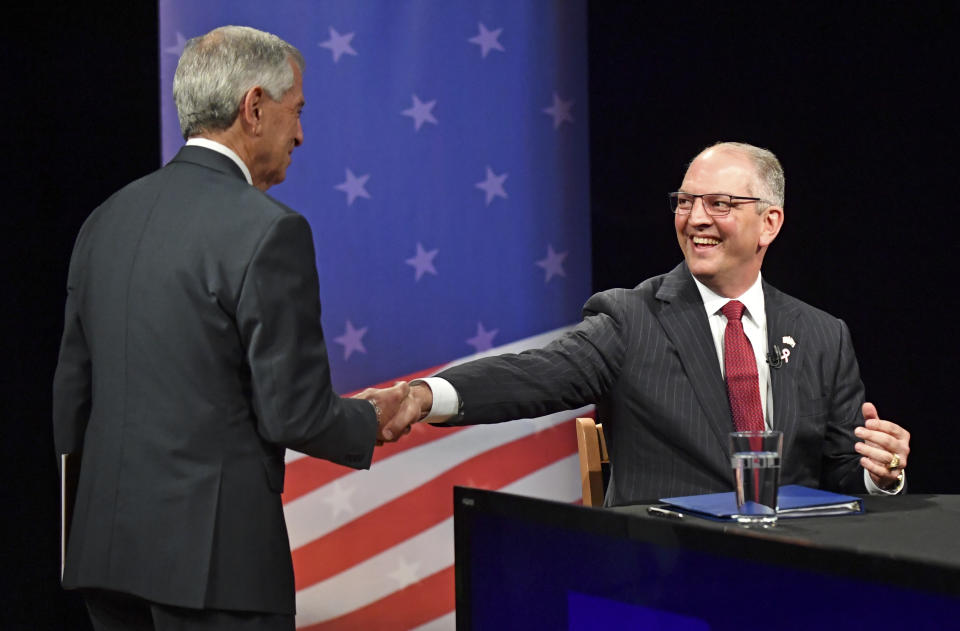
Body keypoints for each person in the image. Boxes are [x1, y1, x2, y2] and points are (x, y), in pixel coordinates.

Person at [52, 26, 418, 631]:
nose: (300, 133)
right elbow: (292, 414)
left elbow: (71, 400)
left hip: (105, 556)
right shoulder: (269, 230)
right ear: (254, 108)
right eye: (295, 111)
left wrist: (79, 533)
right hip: (214, 570)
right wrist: (369, 418)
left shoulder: (104, 220)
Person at [405, 141, 911, 505]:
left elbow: (843, 472)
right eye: (686, 202)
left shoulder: (824, 334)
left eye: (720, 204)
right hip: (666, 569)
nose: (695, 219)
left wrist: (880, 474)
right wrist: (425, 396)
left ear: (769, 224)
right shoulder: (631, 318)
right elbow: (535, 375)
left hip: (789, 573)